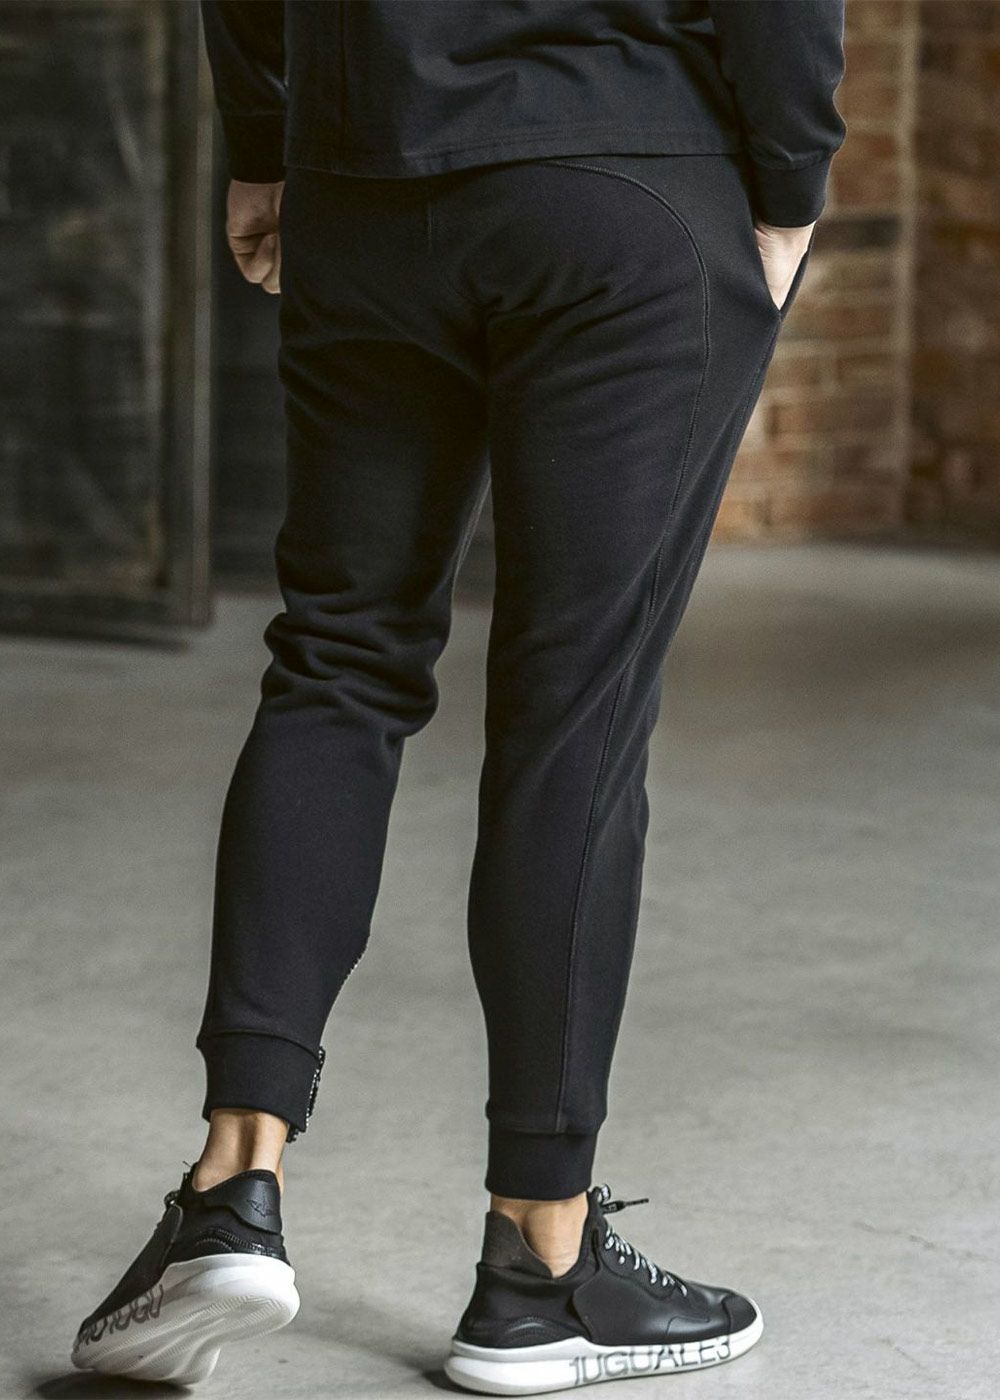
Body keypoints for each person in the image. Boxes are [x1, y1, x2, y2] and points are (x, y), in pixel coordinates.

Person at [70, 2, 845, 1393]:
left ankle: (232, 1189)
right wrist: (789, 187)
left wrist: (269, 144)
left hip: (370, 181)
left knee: (337, 661)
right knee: (576, 716)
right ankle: (540, 1268)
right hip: (630, 182)